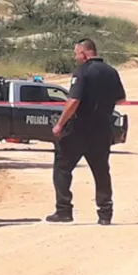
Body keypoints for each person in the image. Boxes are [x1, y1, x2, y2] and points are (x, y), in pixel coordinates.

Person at [47, 38, 126, 225]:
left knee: (62, 168)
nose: (76, 57)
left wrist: (59, 124)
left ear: (84, 53)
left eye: (77, 54)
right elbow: (121, 99)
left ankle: (63, 210)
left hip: (79, 128)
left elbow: (73, 101)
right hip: (102, 129)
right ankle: (105, 214)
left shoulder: (82, 72)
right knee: (101, 171)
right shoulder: (111, 72)